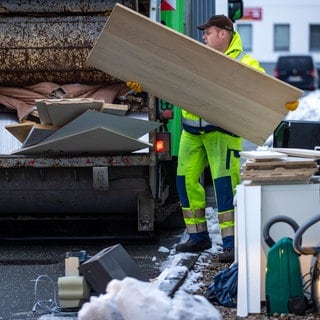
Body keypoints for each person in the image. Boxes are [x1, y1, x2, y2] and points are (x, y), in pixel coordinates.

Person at [175, 14, 265, 263]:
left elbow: (263, 89)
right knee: (185, 181)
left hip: (222, 133)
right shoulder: (199, 57)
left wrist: (280, 102)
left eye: (208, 32)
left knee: (225, 187)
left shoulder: (244, 61)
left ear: (223, 34)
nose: (203, 36)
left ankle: (231, 243)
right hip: (191, 132)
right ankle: (198, 236)